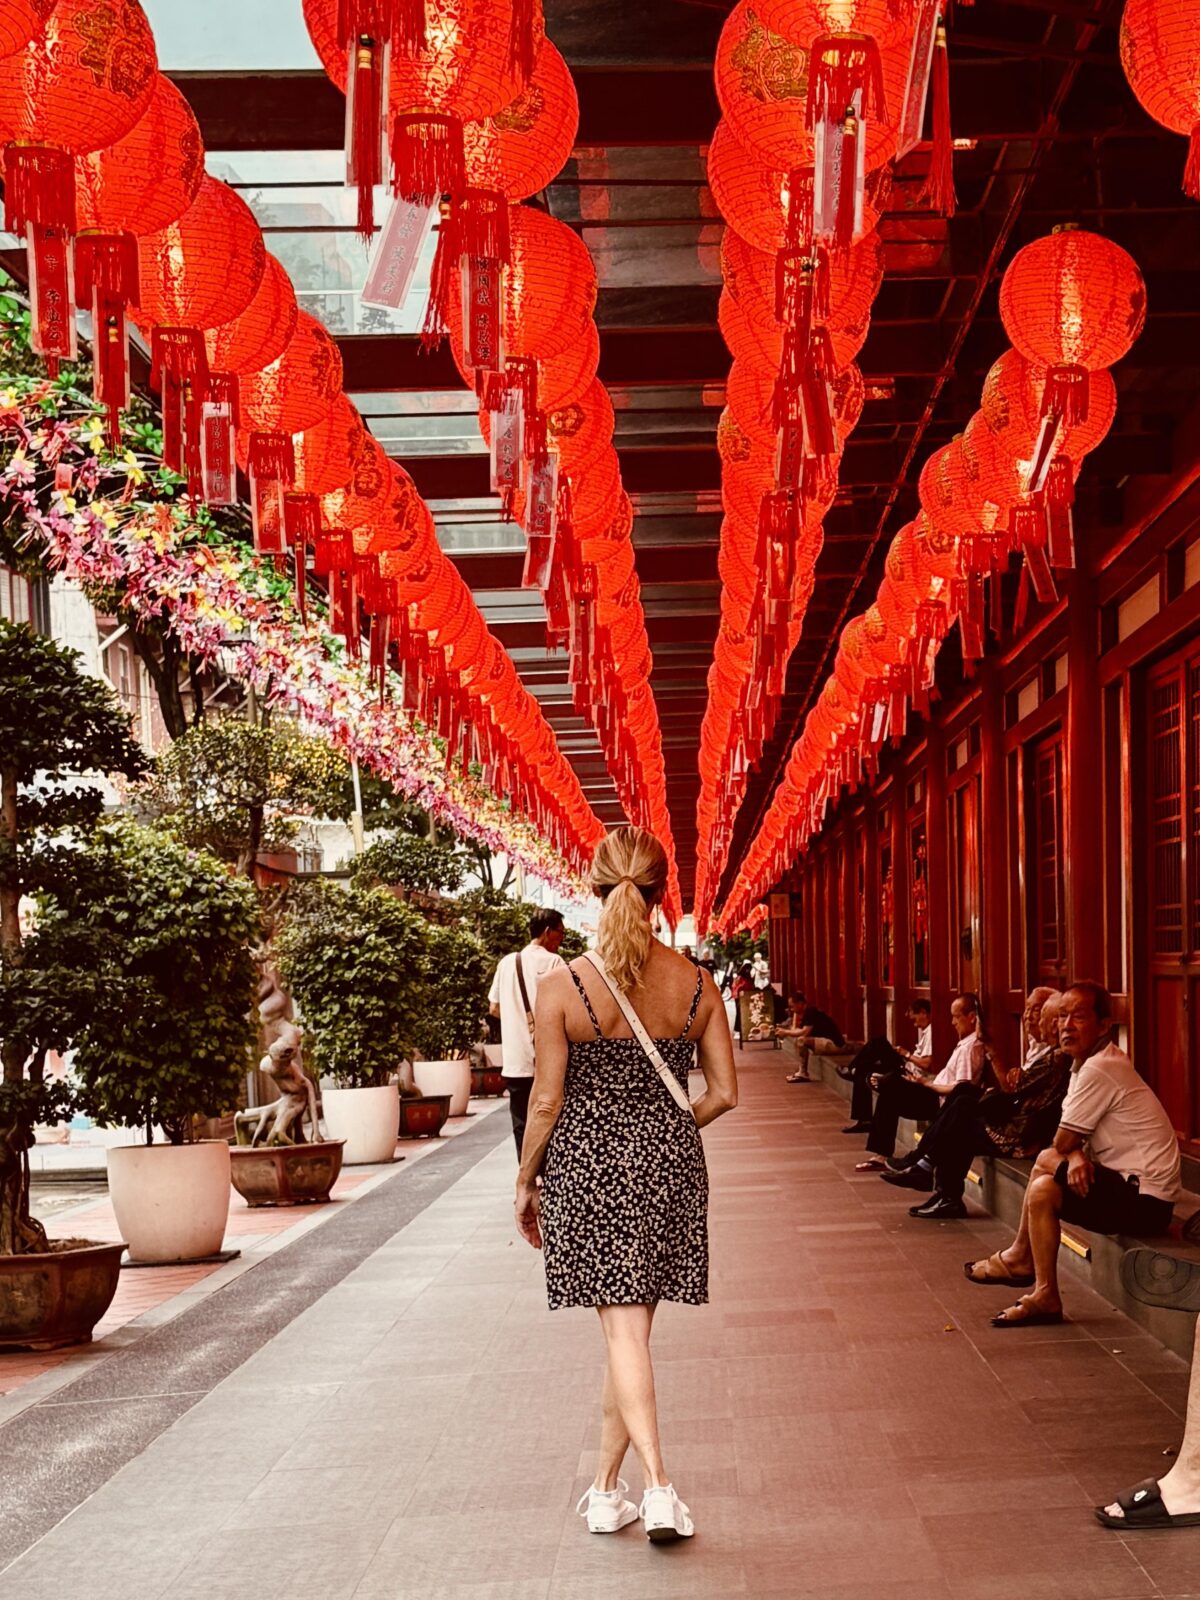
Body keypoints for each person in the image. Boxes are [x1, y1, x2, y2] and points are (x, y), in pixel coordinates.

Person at [513, 826, 738, 1544]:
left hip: (586, 1164)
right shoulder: (698, 983)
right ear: (661, 890)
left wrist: (526, 1182)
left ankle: (661, 1489)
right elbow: (724, 1093)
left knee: (622, 1334)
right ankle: (607, 1493)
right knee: (630, 1335)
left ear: (595, 888)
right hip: (668, 1164)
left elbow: (545, 1101)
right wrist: (668, 1130)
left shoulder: (561, 986)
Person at [966, 981, 1182, 1328]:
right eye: (1062, 1016)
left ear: (1103, 1026)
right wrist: (1075, 1154)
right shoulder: (1084, 1065)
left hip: (1144, 1199)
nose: (1065, 1025)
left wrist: (1071, 1152)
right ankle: (1037, 1281)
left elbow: (1061, 1142)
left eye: (1078, 1017)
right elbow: (1067, 1143)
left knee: (1043, 1180)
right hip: (1130, 1188)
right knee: (1047, 1173)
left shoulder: (1101, 1068)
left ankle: (1029, 1268)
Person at [891, 990, 1071, 1219]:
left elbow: (1013, 1086)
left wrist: (992, 1050)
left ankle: (934, 1177)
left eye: (1039, 1014)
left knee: (961, 1117)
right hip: (1017, 1115)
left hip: (1020, 1134)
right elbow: (1013, 1083)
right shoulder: (1045, 1051)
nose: (1030, 1018)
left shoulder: (1057, 1058)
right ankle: (929, 1172)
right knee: (963, 1096)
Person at [855, 993, 985, 1170]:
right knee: (889, 1094)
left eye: (956, 1017)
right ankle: (881, 1154)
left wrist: (927, 1084)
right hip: (932, 1089)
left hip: (939, 1100)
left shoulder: (971, 1047)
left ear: (971, 1018)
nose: (953, 1023)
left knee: (891, 1082)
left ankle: (882, 1081)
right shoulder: (965, 1043)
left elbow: (961, 1088)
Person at [488, 908, 565, 1158]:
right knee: (552, 1117)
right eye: (560, 934)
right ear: (547, 932)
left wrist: (515, 1019)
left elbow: (494, 1007)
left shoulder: (507, 962)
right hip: (548, 1060)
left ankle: (527, 1175)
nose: (561, 940)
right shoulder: (555, 962)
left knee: (521, 1121)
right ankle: (549, 1169)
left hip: (516, 1062)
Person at [839, 999, 933, 1133]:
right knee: (863, 1070)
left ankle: (851, 1069)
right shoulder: (926, 1032)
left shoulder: (932, 1032)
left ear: (923, 1013)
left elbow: (927, 1063)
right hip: (907, 1065)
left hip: (908, 1071)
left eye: (915, 1018)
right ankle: (864, 1119)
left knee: (879, 1043)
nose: (915, 1024)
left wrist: (906, 1054)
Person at [775, 990, 845, 1083]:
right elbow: (798, 1030)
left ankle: (803, 1072)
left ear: (800, 1003)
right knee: (799, 1040)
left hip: (833, 1044)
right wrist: (785, 1030)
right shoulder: (806, 1012)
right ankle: (801, 1070)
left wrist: (786, 1032)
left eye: (792, 1006)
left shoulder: (810, 1011)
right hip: (824, 1042)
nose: (791, 1009)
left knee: (802, 1041)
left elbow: (804, 1032)